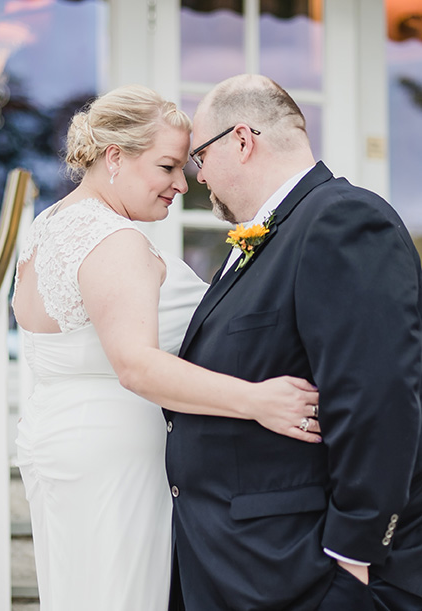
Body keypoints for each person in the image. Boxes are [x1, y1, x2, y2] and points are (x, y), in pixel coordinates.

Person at [11, 84, 321, 611]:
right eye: (167, 167)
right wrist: (260, 401)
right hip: (117, 456)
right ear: (115, 157)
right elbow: (135, 365)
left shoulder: (48, 227)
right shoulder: (115, 241)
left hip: (60, 441)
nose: (183, 183)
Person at [168, 73, 422, 610]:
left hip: (306, 572)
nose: (197, 178)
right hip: (241, 562)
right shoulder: (267, 237)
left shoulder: (343, 219)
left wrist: (354, 553)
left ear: (242, 140)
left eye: (199, 158)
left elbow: (379, 396)